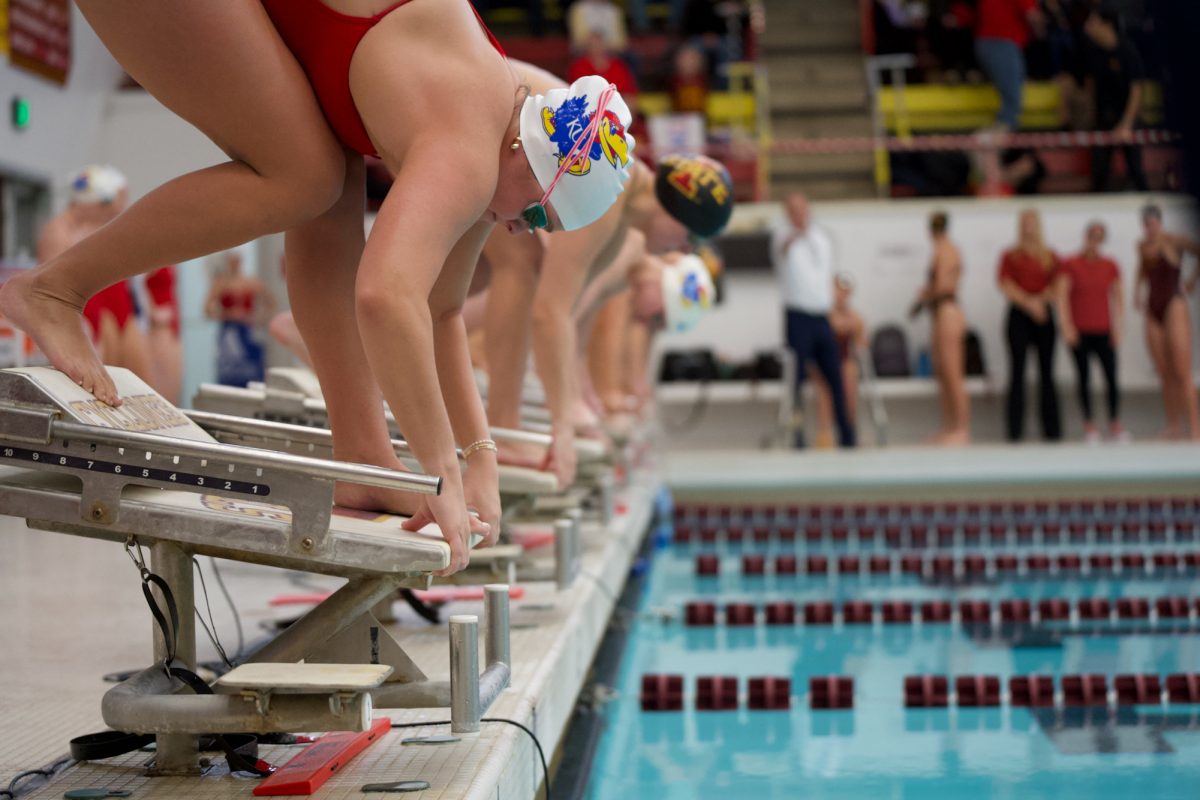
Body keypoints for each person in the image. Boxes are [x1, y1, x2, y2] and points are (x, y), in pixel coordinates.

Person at [0, 0, 636, 576]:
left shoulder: (497, 136)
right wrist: (442, 472)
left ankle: (363, 460)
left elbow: (440, 313)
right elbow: (386, 297)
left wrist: (482, 462)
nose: (523, 233)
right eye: (535, 215)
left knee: (326, 178)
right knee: (303, 179)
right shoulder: (472, 149)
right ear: (528, 153)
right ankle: (54, 290)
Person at [478, 143, 733, 487]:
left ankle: (499, 418)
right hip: (487, 149)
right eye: (692, 237)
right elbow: (550, 316)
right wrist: (565, 422)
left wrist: (573, 407)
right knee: (522, 264)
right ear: (676, 211)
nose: (687, 250)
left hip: (496, 161)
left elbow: (566, 322)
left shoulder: (622, 214)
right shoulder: (613, 193)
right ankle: (502, 425)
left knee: (508, 272)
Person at [37, 166, 155, 388]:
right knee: (102, 387)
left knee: (141, 386)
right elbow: (50, 293)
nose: (113, 211)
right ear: (92, 201)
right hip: (87, 311)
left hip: (118, 308)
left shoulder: (100, 227)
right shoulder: (58, 231)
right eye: (107, 205)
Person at [772, 192, 855, 449]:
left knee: (836, 379)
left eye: (802, 208)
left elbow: (826, 275)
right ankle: (797, 438)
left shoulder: (821, 237)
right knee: (796, 383)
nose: (798, 214)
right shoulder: (781, 236)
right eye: (793, 209)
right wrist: (798, 232)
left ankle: (847, 438)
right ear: (787, 212)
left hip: (822, 317)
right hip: (797, 317)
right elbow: (783, 249)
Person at [1057, 221, 1126, 443]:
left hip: (1104, 330)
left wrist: (1118, 328)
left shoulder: (1109, 265)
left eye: (1099, 237)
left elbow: (1118, 297)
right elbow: (1061, 296)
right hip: (1080, 331)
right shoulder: (1071, 264)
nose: (1094, 242)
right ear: (1085, 237)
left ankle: (1114, 423)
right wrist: (1067, 327)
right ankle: (1089, 425)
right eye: (1091, 236)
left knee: (1111, 378)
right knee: (1084, 378)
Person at [1135, 204, 1200, 439]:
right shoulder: (1142, 245)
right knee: (1164, 371)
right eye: (1146, 223)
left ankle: (1195, 427)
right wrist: (1136, 292)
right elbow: (1142, 269)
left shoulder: (1174, 241)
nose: (1149, 227)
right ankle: (1174, 425)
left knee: (1182, 370)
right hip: (1153, 306)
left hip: (1174, 303)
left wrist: (1192, 280)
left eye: (1152, 223)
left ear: (1159, 222)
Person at [998, 208, 1062, 442]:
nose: (1028, 227)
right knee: (1017, 373)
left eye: (1031, 223)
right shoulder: (1011, 256)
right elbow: (1006, 284)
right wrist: (1028, 303)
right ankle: (1015, 432)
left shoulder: (1049, 256)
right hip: (1019, 316)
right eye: (1024, 223)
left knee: (1047, 374)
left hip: (1044, 314)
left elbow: (1057, 285)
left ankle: (1052, 432)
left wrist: (1040, 302)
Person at [912, 211, 969, 445]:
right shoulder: (941, 250)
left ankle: (962, 429)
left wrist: (925, 294)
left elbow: (945, 286)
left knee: (953, 374)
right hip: (939, 313)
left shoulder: (946, 251)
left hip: (948, 313)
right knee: (943, 374)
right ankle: (949, 427)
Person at [1081, 4, 1148, 192]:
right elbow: (1090, 86)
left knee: (1136, 171)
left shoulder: (1127, 51)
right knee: (1099, 174)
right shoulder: (1092, 52)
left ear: (1107, 25)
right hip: (1104, 119)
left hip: (1127, 116)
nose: (1087, 26)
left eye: (1093, 22)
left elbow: (1137, 89)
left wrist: (1126, 124)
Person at [205, 250, 275, 387]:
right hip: (229, 333)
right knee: (229, 374)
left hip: (248, 331)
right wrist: (227, 315)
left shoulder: (250, 282)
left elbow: (271, 302)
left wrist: (258, 318)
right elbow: (207, 309)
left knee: (253, 375)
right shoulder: (221, 283)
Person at [812, 273, 866, 448]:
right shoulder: (823, 315)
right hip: (825, 363)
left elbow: (861, 344)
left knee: (848, 376)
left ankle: (848, 431)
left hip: (844, 362)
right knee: (826, 388)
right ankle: (825, 435)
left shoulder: (855, 318)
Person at [144, 265, 183, 404]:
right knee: (163, 386)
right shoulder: (150, 253)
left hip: (171, 324)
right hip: (160, 326)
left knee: (174, 383)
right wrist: (153, 312)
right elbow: (139, 285)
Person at [568, 31, 638, 102]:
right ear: (587, 48)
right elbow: (574, 95)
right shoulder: (579, 67)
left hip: (616, 107)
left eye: (599, 44)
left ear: (606, 46)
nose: (597, 48)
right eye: (593, 45)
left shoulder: (618, 66)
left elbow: (630, 95)